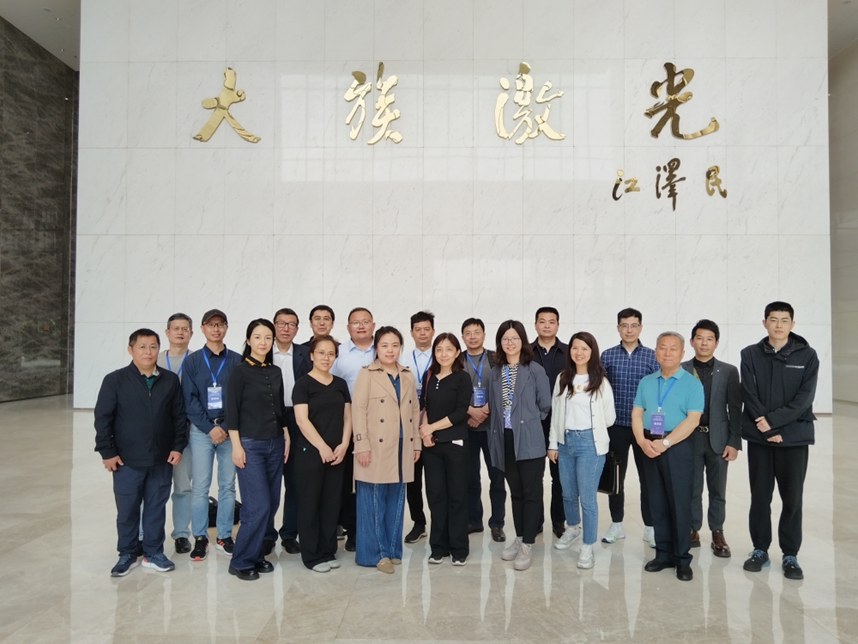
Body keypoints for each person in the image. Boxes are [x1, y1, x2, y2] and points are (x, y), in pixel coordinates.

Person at [94, 329, 186, 577]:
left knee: (156, 507)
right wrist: (107, 452)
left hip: (161, 458)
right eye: (142, 346)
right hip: (126, 460)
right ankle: (127, 553)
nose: (148, 352)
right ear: (130, 349)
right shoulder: (115, 380)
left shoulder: (169, 380)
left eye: (153, 346)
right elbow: (103, 418)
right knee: (127, 509)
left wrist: (177, 446)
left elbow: (179, 417)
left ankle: (153, 553)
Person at [740, 302, 818, 581]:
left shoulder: (807, 355)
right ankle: (760, 550)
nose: (779, 325)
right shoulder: (750, 354)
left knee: (792, 499)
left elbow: (805, 398)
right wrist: (765, 428)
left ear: (792, 324)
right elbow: (749, 394)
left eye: (785, 320)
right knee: (760, 496)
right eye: (773, 320)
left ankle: (790, 554)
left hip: (793, 437)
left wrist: (773, 422)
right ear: (765, 323)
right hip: (760, 439)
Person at [632, 332, 704, 582]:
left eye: (673, 348)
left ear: (683, 353)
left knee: (679, 502)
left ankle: (682, 558)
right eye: (662, 348)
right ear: (655, 352)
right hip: (649, 444)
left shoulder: (692, 383)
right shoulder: (646, 381)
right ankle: (662, 554)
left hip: (678, 445)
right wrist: (641, 441)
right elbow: (637, 412)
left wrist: (665, 443)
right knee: (657, 500)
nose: (667, 352)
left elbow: (693, 420)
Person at [224, 319, 290, 580]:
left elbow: (279, 409)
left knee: (271, 503)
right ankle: (240, 561)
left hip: (275, 443)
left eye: (268, 338)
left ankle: (256, 554)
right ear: (248, 340)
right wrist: (236, 446)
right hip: (250, 445)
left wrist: (286, 435)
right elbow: (232, 411)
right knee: (256, 505)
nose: (263, 342)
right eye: (258, 337)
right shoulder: (239, 372)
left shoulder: (275, 371)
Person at [352, 327, 421, 573]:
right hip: (374, 446)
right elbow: (358, 410)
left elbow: (414, 410)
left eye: (394, 345)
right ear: (376, 348)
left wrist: (416, 442)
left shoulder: (407, 375)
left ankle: (392, 550)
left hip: (402, 445)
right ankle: (375, 554)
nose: (390, 350)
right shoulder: (366, 374)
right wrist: (361, 444)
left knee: (396, 499)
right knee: (373, 501)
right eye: (384, 345)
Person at [486, 320, 551, 571]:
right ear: (500, 343)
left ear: (522, 341)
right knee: (515, 492)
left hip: (529, 438)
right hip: (505, 438)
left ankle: (528, 544)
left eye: (514, 338)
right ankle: (520, 536)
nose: (510, 342)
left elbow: (545, 405)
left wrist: (529, 422)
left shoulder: (534, 370)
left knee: (531, 492)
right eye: (505, 338)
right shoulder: (495, 372)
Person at [547, 332, 615, 569]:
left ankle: (588, 545)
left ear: (592, 352)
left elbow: (609, 417)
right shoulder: (563, 378)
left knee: (587, 498)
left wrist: (588, 430)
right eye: (575, 348)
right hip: (565, 442)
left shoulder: (600, 381)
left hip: (590, 443)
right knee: (567, 492)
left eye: (584, 348)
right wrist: (553, 443)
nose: (579, 352)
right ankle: (573, 528)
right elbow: (556, 413)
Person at [182, 309, 242, 561]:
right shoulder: (193, 361)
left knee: (228, 485)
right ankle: (200, 537)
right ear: (203, 328)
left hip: (230, 431)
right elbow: (189, 399)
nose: (216, 329)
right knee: (200, 486)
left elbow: (241, 398)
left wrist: (225, 426)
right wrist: (210, 428)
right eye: (211, 324)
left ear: (226, 327)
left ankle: (224, 536)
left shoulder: (237, 360)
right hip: (201, 432)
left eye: (220, 324)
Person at [680, 319, 741, 558]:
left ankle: (717, 532)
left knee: (718, 489)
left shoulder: (728, 371)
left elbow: (735, 408)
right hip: (689, 439)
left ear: (716, 342)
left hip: (719, 439)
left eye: (709, 339)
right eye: (699, 338)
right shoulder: (682, 369)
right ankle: (692, 529)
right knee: (692, 487)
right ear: (692, 341)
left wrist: (734, 441)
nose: (704, 343)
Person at [600, 307, 660, 547]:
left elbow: (659, 395)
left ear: (641, 328)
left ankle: (651, 526)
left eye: (634, 325)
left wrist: (657, 431)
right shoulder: (607, 356)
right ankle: (616, 523)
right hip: (616, 426)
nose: (629, 330)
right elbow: (600, 393)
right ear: (618, 328)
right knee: (615, 477)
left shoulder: (652, 357)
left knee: (649, 478)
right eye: (624, 325)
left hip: (644, 428)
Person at [293, 335, 352, 572]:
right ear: (311, 355)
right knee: (310, 503)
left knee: (331, 502)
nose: (326, 358)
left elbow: (348, 417)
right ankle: (312, 556)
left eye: (330, 354)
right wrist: (322, 447)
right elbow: (301, 420)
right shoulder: (303, 384)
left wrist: (344, 444)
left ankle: (328, 551)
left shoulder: (340, 384)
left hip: (337, 453)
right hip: (311, 452)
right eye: (321, 353)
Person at [419, 333, 473, 565]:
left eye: (449, 349)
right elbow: (424, 406)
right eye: (439, 349)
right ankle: (438, 547)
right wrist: (425, 432)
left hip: (455, 445)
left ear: (457, 352)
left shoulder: (462, 378)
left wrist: (432, 427)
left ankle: (459, 548)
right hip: (432, 447)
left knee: (457, 496)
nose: (443, 354)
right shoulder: (429, 375)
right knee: (436, 495)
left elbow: (460, 412)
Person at [263, 307, 312, 557]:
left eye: (291, 324)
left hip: (297, 418)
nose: (285, 328)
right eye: (281, 323)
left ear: (297, 328)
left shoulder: (305, 353)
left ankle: (290, 533)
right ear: (273, 325)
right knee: (268, 481)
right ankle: (266, 534)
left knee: (295, 480)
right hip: (268, 419)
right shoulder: (262, 351)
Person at [330, 307, 377, 551]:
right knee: (348, 479)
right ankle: (352, 530)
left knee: (372, 477)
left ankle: (371, 528)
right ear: (348, 327)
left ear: (373, 325)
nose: (360, 326)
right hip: (346, 423)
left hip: (378, 424)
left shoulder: (383, 349)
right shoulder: (338, 354)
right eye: (355, 322)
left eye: (365, 321)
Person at [461, 318, 506, 542]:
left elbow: (505, 388)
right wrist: (470, 412)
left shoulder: (496, 358)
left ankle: (497, 523)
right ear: (462, 337)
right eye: (468, 333)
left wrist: (484, 411)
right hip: (466, 427)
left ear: (484, 334)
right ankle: (473, 520)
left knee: (497, 477)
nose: (472, 336)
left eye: (476, 332)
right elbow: (452, 392)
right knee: (470, 477)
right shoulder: (457, 360)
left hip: (492, 428)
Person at [157, 313, 194, 554]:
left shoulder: (197, 360)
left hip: (186, 434)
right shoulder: (155, 360)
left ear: (191, 333)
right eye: (176, 328)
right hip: (158, 433)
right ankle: (147, 535)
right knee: (155, 488)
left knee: (183, 487)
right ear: (167, 332)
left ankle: (181, 533)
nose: (180, 332)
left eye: (185, 328)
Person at [531, 307, 567, 538]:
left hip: (560, 420)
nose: (546, 325)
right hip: (533, 421)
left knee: (559, 476)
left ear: (557, 325)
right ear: (535, 324)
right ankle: (535, 522)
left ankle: (558, 521)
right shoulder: (525, 352)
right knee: (534, 476)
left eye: (551, 321)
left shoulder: (568, 351)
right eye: (542, 321)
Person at [400, 310, 434, 544]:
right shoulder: (402, 359)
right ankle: (418, 523)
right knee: (412, 480)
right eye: (418, 329)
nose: (422, 333)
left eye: (426, 329)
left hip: (434, 426)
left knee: (436, 480)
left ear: (433, 331)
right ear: (411, 332)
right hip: (410, 427)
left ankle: (440, 522)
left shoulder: (443, 356)